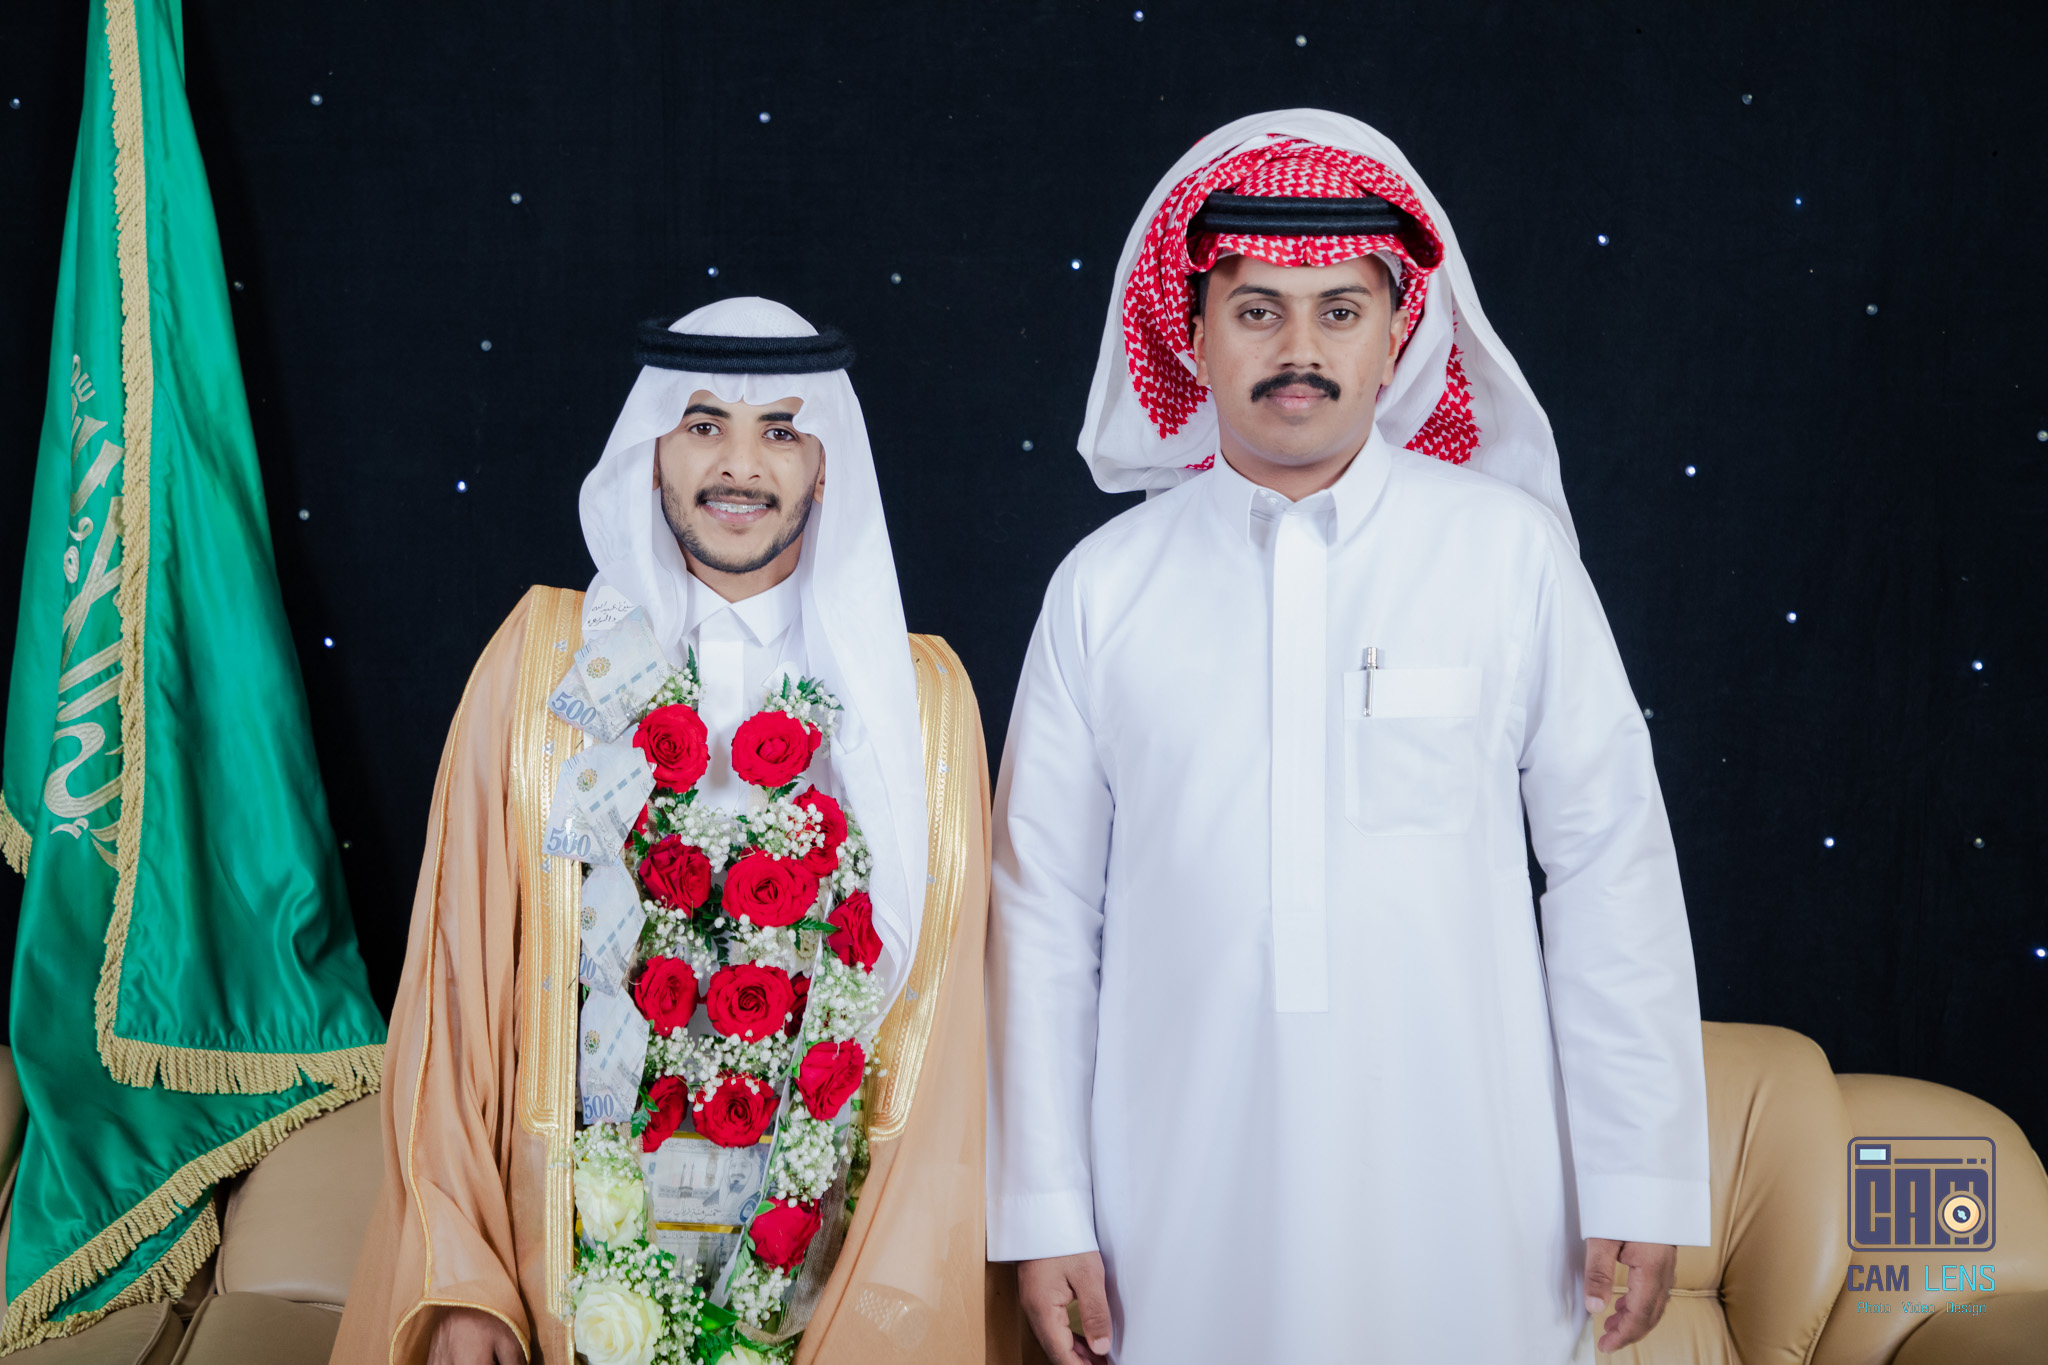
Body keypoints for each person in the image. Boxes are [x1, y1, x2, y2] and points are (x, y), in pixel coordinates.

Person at [987, 111, 1710, 1364]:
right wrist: (1044, 1209)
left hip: (1474, 1191)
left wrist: (1639, 1173)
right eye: (1255, 311)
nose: (1299, 351)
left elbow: (1609, 869)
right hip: (1175, 1197)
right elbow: (1042, 916)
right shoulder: (1103, 588)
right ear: (1191, 336)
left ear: (1395, 337)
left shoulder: (1506, 556)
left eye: (1338, 310)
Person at [333, 298, 992, 1365]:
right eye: (703, 425)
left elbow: (950, 1037)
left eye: (781, 431)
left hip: (819, 1272)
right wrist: (461, 1276)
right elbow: (455, 989)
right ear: (651, 452)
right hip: (565, 1267)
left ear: (827, 466)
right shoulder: (545, 665)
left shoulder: (918, 706)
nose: (740, 465)